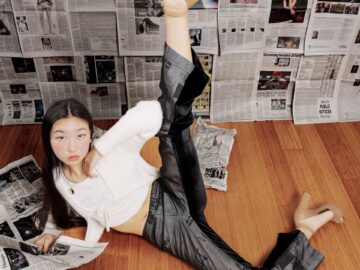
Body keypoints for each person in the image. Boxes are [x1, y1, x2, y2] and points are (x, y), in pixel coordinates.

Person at [36, 0, 344, 269]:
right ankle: (305, 228)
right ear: (49, 141)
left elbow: (151, 114)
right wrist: (51, 230)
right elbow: (59, 201)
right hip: (165, 228)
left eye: (80, 135)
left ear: (90, 134)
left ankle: (176, 13)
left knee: (171, 121)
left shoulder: (106, 147)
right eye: (60, 137)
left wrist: (101, 148)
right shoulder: (58, 177)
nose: (72, 145)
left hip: (170, 194)